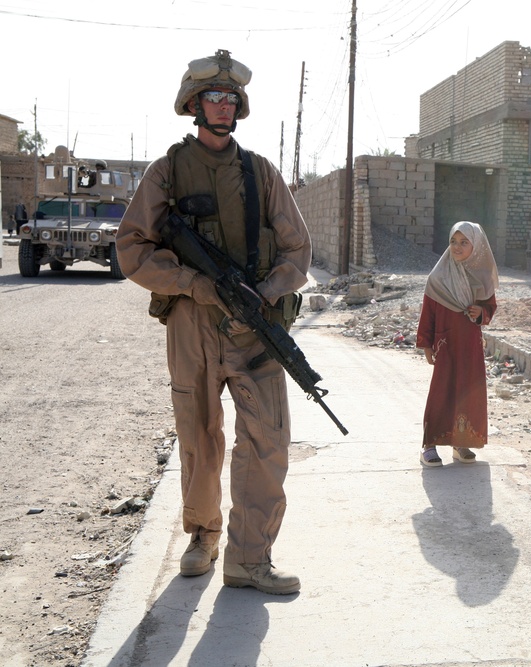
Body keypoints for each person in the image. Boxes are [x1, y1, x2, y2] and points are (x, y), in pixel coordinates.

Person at [115, 49, 311, 595]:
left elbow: (297, 250)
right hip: (193, 327)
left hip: (253, 326)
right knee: (200, 437)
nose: (222, 106)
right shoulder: (167, 171)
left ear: (239, 108)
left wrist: (264, 292)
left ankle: (250, 558)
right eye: (213, 98)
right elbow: (132, 250)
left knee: (267, 440)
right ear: (193, 104)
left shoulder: (262, 174)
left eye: (231, 98)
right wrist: (196, 283)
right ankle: (204, 536)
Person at [417, 221, 499, 467]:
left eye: (464, 242)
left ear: (476, 245)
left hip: (470, 346)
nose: (457, 247)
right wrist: (426, 344)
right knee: (441, 392)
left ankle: (461, 443)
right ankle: (429, 445)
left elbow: (490, 308)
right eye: (454, 241)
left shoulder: (481, 276)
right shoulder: (439, 276)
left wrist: (480, 313)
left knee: (468, 392)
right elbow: (428, 312)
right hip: (445, 344)